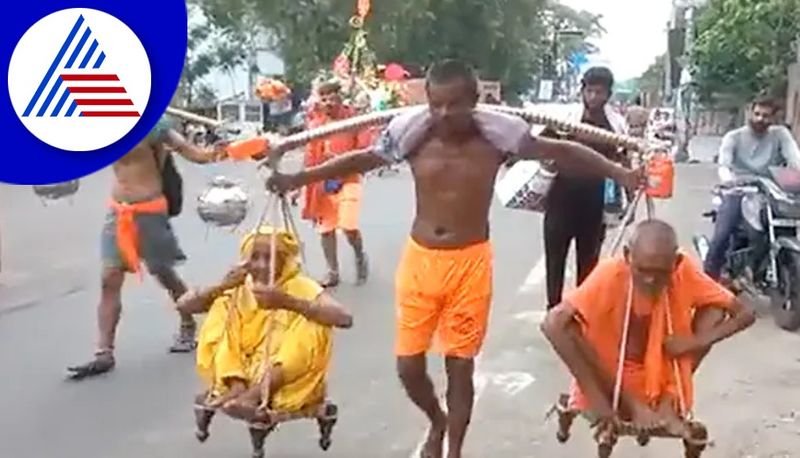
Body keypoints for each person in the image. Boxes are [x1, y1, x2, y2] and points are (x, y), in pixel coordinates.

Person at [267, 59, 642, 458]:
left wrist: (619, 175)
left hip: (471, 263)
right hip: (420, 261)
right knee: (408, 367)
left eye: (455, 104)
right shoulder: (412, 138)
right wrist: (296, 179)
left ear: (475, 101)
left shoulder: (498, 141)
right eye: (437, 105)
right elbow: (358, 161)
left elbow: (565, 151)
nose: (445, 114)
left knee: (459, 366)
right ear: (427, 102)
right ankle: (437, 421)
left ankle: (454, 450)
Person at [541, 220, 755, 437]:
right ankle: (632, 405)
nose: (650, 280)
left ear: (676, 262)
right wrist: (601, 404)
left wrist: (693, 342)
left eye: (661, 272)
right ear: (627, 256)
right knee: (569, 328)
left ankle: (668, 402)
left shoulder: (683, 271)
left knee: (714, 309)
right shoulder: (612, 273)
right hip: (611, 379)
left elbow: (744, 314)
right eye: (642, 270)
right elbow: (552, 324)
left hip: (663, 373)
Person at [67, 117, 226, 380]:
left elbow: (196, 154)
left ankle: (188, 321)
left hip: (149, 212)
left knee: (164, 273)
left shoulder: (154, 125)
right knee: (109, 278)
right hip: (118, 212)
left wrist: (222, 149)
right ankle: (103, 352)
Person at [176, 225, 352, 447]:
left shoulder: (299, 286)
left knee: (315, 325)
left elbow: (345, 318)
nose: (261, 265)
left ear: (284, 260)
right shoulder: (238, 285)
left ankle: (254, 395)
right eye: (255, 257)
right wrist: (222, 285)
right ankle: (236, 386)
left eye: (270, 258)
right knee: (221, 306)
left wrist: (288, 302)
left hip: (281, 374)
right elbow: (183, 305)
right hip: (240, 365)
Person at [543, 67, 629, 310]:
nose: (592, 97)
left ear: (608, 94)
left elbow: (623, 161)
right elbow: (540, 144)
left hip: (595, 197)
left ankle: (582, 309)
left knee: (589, 259)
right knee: (555, 255)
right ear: (582, 90)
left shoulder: (615, 125)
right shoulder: (565, 118)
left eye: (599, 92)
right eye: (588, 91)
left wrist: (630, 197)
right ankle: (553, 307)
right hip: (561, 195)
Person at [704, 97, 800, 280]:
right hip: (738, 189)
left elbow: (795, 159)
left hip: (769, 191)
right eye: (756, 114)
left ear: (774, 118)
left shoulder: (780, 135)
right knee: (722, 234)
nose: (760, 119)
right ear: (750, 113)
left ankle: (759, 267)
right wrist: (730, 181)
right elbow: (724, 165)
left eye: (765, 116)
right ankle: (708, 279)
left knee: (785, 224)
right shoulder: (734, 137)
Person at [302, 80, 371, 287]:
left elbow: (365, 150)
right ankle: (333, 272)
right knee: (326, 230)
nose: (328, 103)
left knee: (348, 225)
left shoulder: (354, 121)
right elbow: (310, 157)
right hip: (324, 183)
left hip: (349, 179)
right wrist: (304, 186)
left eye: (332, 97)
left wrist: (345, 163)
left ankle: (360, 255)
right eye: (323, 99)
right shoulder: (316, 126)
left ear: (340, 98)